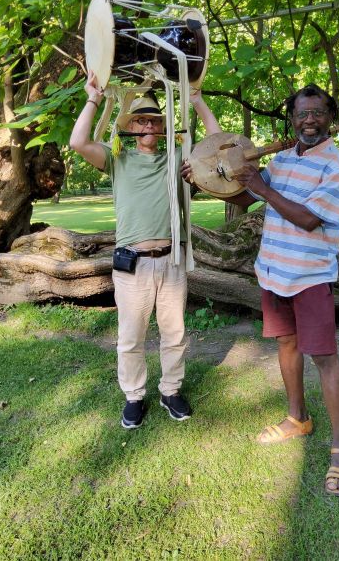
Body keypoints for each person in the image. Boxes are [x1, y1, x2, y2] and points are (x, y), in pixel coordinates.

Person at [182, 83, 339, 495]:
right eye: (302, 114)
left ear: (330, 117)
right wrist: (203, 178)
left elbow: (309, 219)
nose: (309, 120)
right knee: (286, 345)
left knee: (324, 358)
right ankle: (298, 418)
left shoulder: (337, 165)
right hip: (274, 271)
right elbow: (245, 199)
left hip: (310, 275)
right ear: (292, 119)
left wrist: (262, 187)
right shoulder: (281, 159)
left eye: (317, 112)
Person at [70, 72, 220, 429]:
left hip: (171, 262)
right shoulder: (117, 158)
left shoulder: (178, 158)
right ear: (131, 128)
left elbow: (218, 145)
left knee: (174, 334)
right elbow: (78, 142)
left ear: (164, 127)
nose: (148, 125)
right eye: (140, 120)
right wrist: (93, 97)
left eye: (154, 120)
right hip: (132, 266)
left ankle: (171, 390)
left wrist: (196, 99)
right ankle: (134, 396)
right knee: (131, 338)